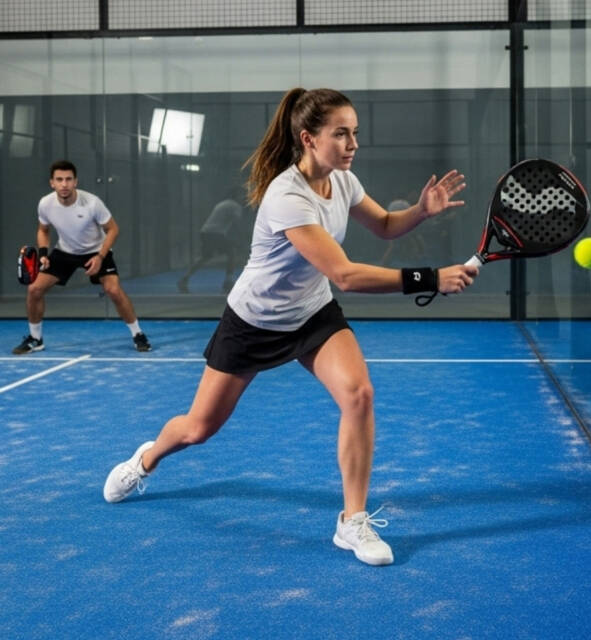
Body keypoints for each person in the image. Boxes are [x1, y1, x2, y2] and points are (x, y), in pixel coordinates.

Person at [102, 87, 478, 566]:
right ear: (308, 138)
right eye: (340, 134)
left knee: (359, 394)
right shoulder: (286, 196)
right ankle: (146, 460)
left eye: (355, 133)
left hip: (312, 312)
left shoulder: (343, 181)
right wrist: (430, 278)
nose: (352, 143)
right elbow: (345, 274)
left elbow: (384, 224)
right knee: (199, 428)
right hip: (254, 321)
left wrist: (421, 212)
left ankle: (352, 521)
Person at [12, 160, 152, 354]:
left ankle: (138, 334)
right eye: (59, 180)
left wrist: (101, 257)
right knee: (34, 289)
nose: (64, 184)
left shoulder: (92, 203)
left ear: (75, 181)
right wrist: (43, 254)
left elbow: (113, 229)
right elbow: (43, 230)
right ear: (52, 182)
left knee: (113, 290)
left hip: (96, 250)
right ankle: (36, 339)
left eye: (68, 179)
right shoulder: (45, 203)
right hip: (65, 251)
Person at [178, 196, 245, 293]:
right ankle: (228, 281)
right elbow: (237, 222)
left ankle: (184, 278)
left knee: (206, 257)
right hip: (215, 233)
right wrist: (244, 238)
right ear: (237, 194)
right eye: (242, 194)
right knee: (232, 253)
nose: (244, 197)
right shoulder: (235, 206)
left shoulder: (223, 203)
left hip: (206, 232)